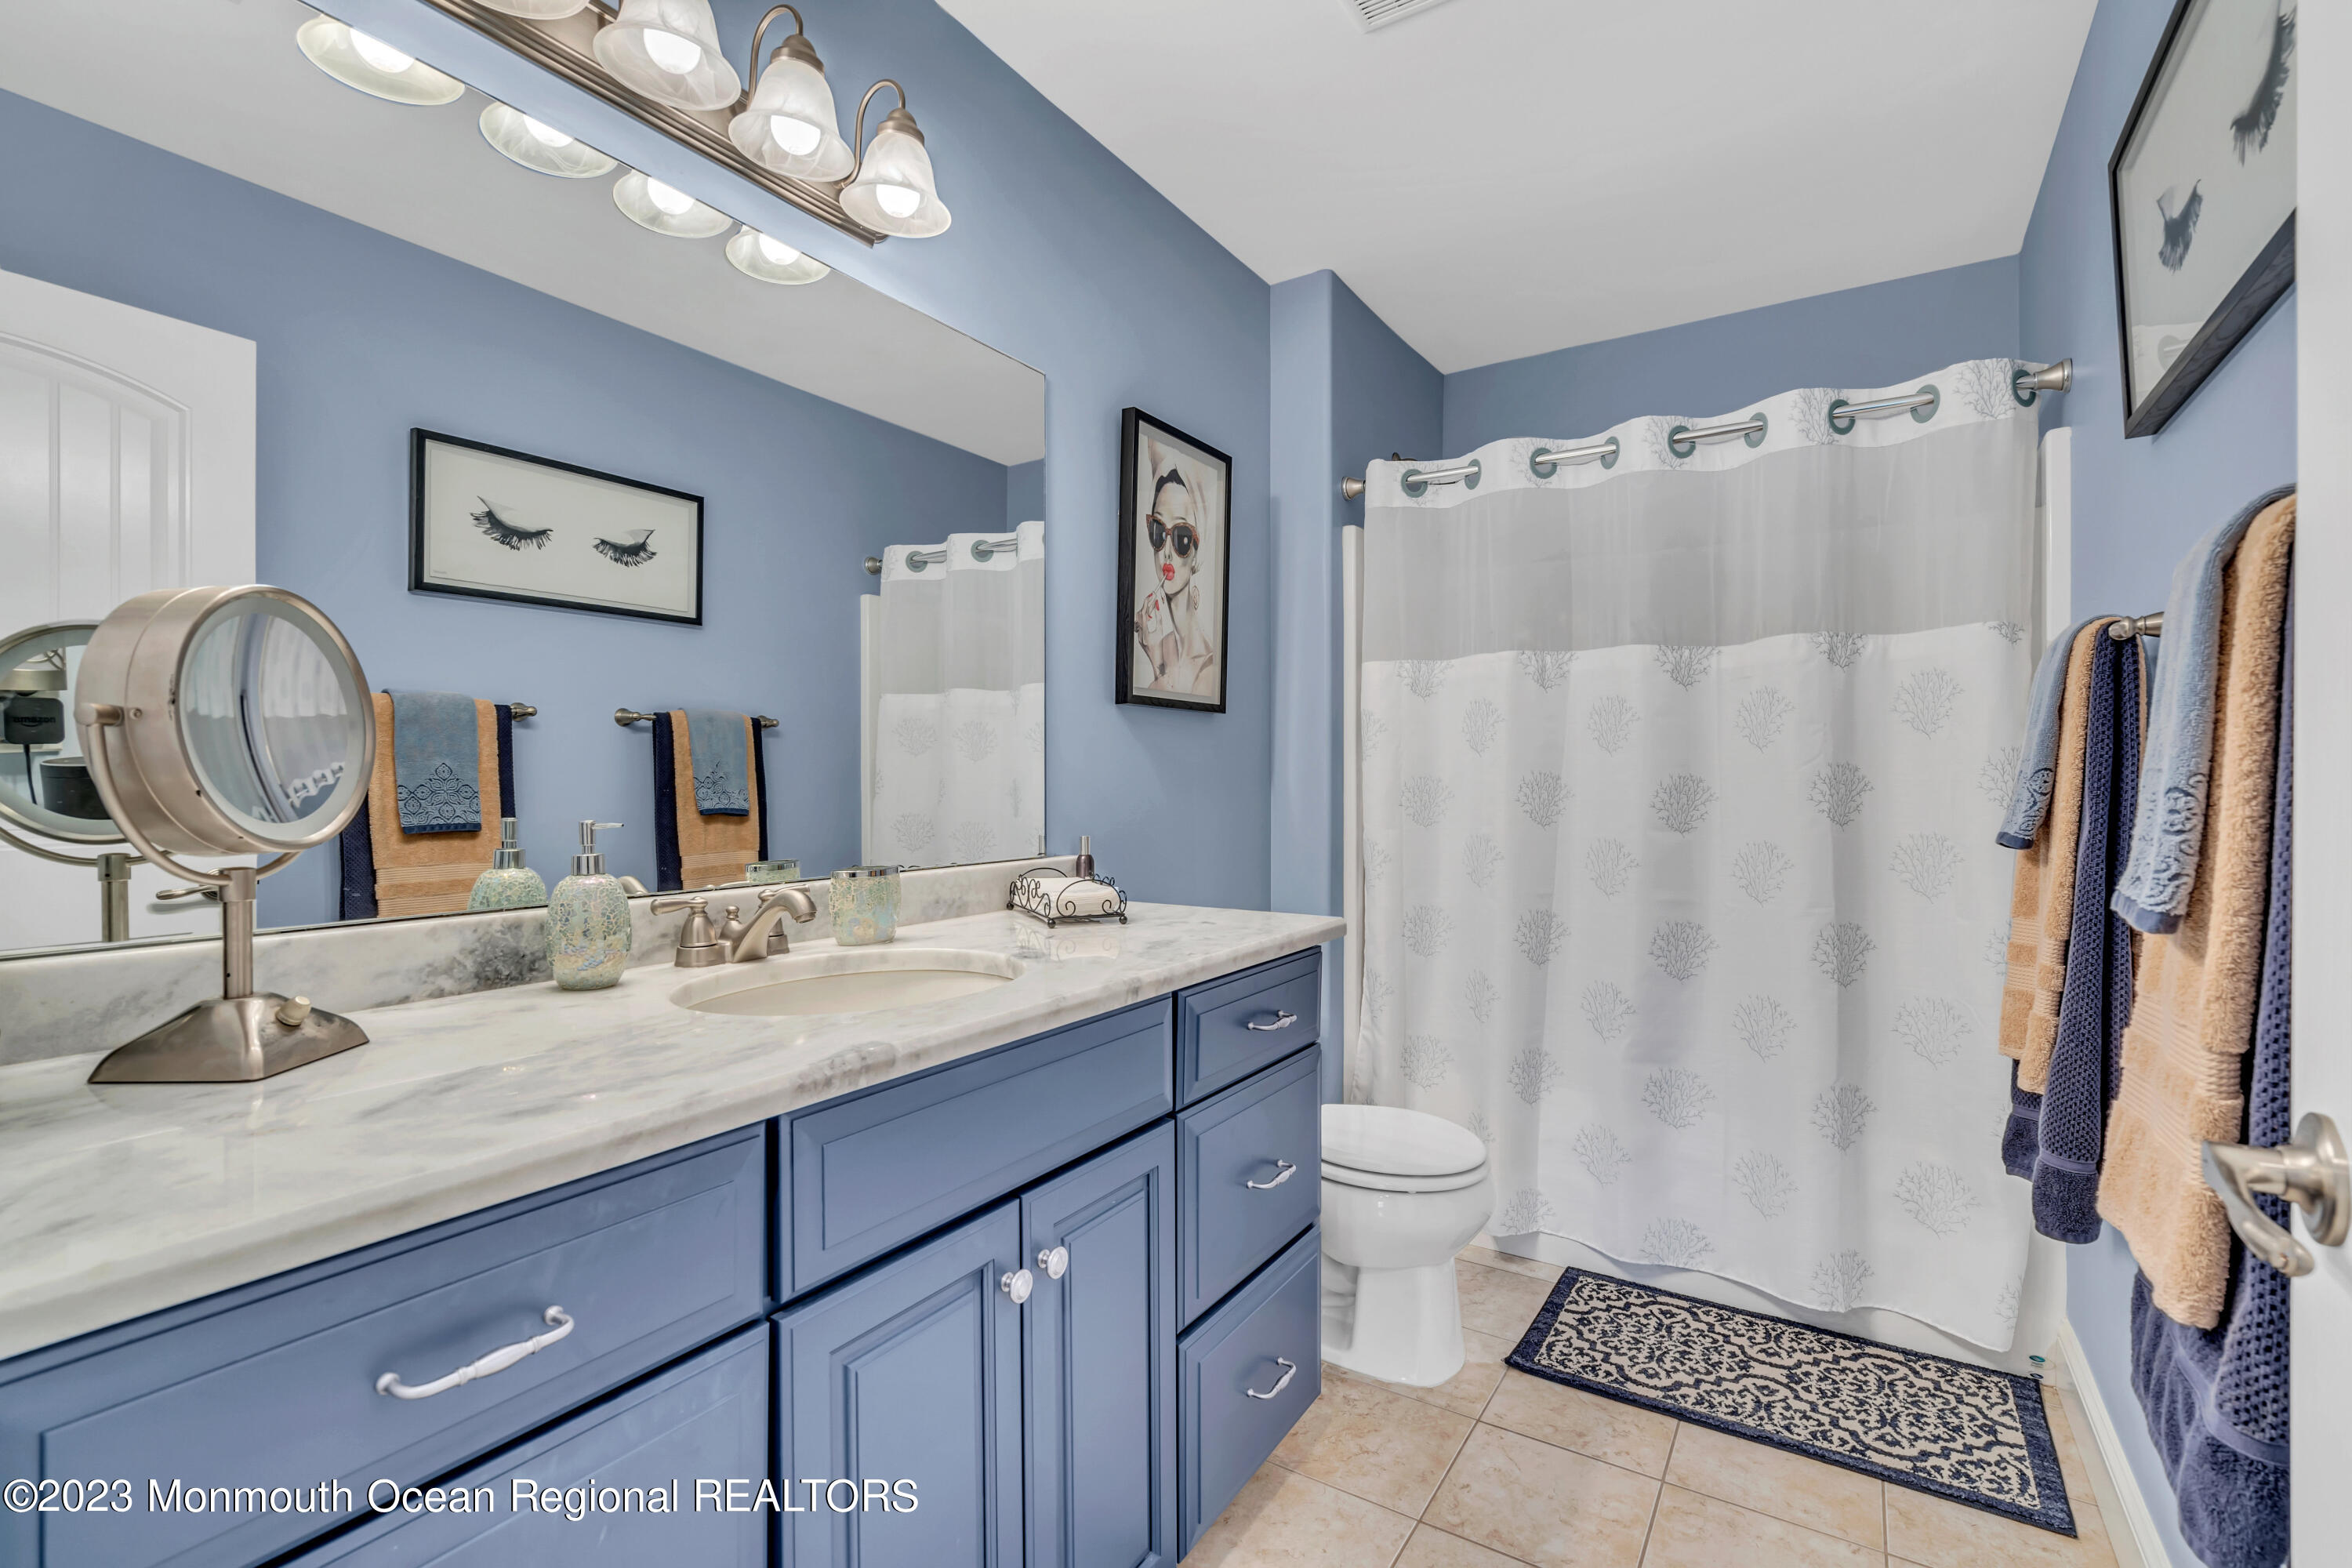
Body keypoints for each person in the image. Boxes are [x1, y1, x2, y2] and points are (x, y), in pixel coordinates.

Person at [1131, 452, 1218, 698]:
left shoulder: (1207, 671)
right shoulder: (1163, 643)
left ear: (1197, 552)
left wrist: (1157, 665)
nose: (1166, 552)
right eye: (1158, 531)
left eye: (1182, 537)